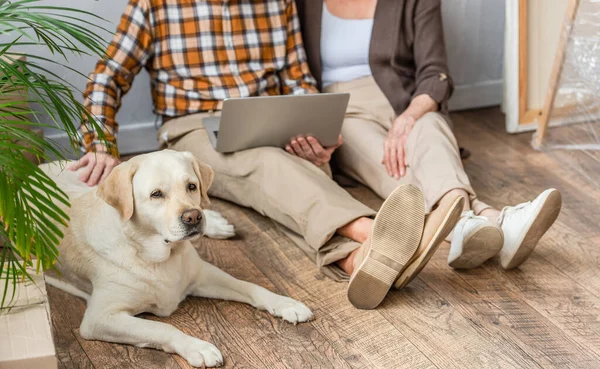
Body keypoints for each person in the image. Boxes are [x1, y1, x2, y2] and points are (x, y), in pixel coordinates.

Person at [67, 0, 462, 310]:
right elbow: (107, 77)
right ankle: (375, 233)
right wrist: (101, 144)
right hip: (193, 126)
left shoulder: (278, 2)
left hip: (269, 118)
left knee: (297, 171)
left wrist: (316, 129)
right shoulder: (155, 4)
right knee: (268, 167)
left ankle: (355, 261)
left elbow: (299, 78)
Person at [294, 0, 562, 275]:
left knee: (431, 123)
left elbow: (435, 72)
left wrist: (410, 115)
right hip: (344, 112)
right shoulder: (300, 3)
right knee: (392, 161)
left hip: (405, 99)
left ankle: (464, 225)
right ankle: (493, 219)